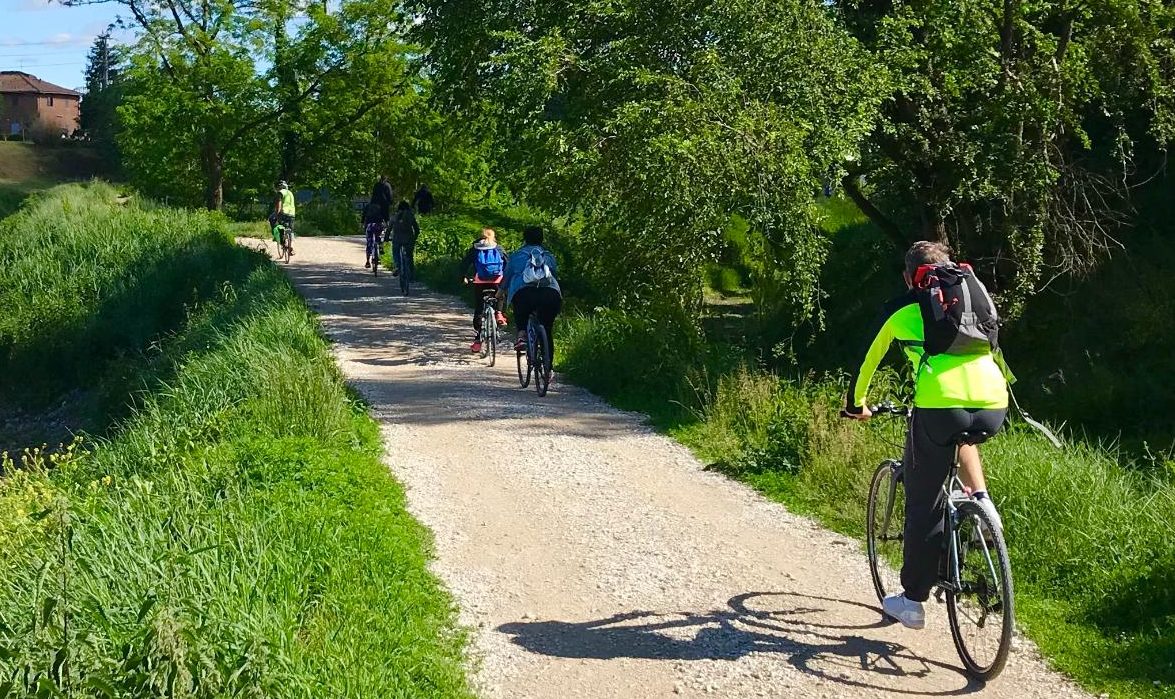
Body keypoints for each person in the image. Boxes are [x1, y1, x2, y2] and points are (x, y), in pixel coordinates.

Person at [844, 240, 1008, 631]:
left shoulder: (905, 310)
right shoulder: (973, 299)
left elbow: (868, 359)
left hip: (938, 404)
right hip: (992, 401)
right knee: (963, 437)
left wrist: (856, 404)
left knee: (924, 501)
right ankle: (984, 506)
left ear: (908, 277)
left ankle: (913, 603)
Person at [500, 225, 562, 354]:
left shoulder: (517, 256)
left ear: (525, 239)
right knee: (547, 329)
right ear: (542, 239)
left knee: (521, 311)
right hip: (550, 294)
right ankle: (548, 369)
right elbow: (554, 276)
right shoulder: (549, 256)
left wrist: (500, 292)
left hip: (524, 294)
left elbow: (507, 277)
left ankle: (522, 335)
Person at [459, 228, 509, 353]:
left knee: (479, 307)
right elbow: (508, 264)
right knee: (500, 296)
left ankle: (477, 340)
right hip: (497, 281)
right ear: (494, 237)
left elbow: (464, 264)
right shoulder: (498, 248)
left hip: (480, 282)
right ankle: (498, 313)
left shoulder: (475, 249)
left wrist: (463, 277)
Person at [389, 201, 420, 279]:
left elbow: (389, 229)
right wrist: (415, 237)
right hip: (409, 239)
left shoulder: (395, 216)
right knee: (409, 256)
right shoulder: (410, 216)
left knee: (396, 252)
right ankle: (412, 276)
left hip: (397, 239)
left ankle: (397, 266)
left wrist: (386, 238)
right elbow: (416, 229)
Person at [272, 180, 296, 256]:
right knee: (290, 230)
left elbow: (279, 203)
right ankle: (290, 246)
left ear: (279, 187)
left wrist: (276, 214)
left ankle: (281, 241)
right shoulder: (290, 193)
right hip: (292, 214)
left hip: (283, 213)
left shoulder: (281, 192)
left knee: (276, 223)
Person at [362, 200, 384, 268]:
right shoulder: (380, 206)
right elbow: (384, 215)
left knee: (369, 242)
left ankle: (368, 262)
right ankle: (381, 249)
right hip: (378, 225)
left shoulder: (367, 206)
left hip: (370, 225)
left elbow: (363, 215)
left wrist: (362, 223)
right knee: (378, 237)